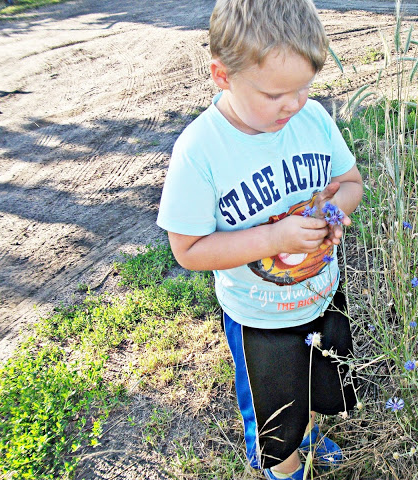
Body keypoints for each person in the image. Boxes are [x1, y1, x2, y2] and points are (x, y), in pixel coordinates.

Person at [156, 0, 363, 478]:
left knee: (314, 384)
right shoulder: (200, 150)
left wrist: (331, 213)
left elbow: (350, 182)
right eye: (276, 94)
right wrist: (275, 237)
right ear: (223, 75)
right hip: (258, 318)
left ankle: (309, 434)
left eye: (305, 87)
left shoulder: (311, 120)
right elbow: (187, 250)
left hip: (322, 294)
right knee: (275, 413)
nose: (293, 104)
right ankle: (285, 468)